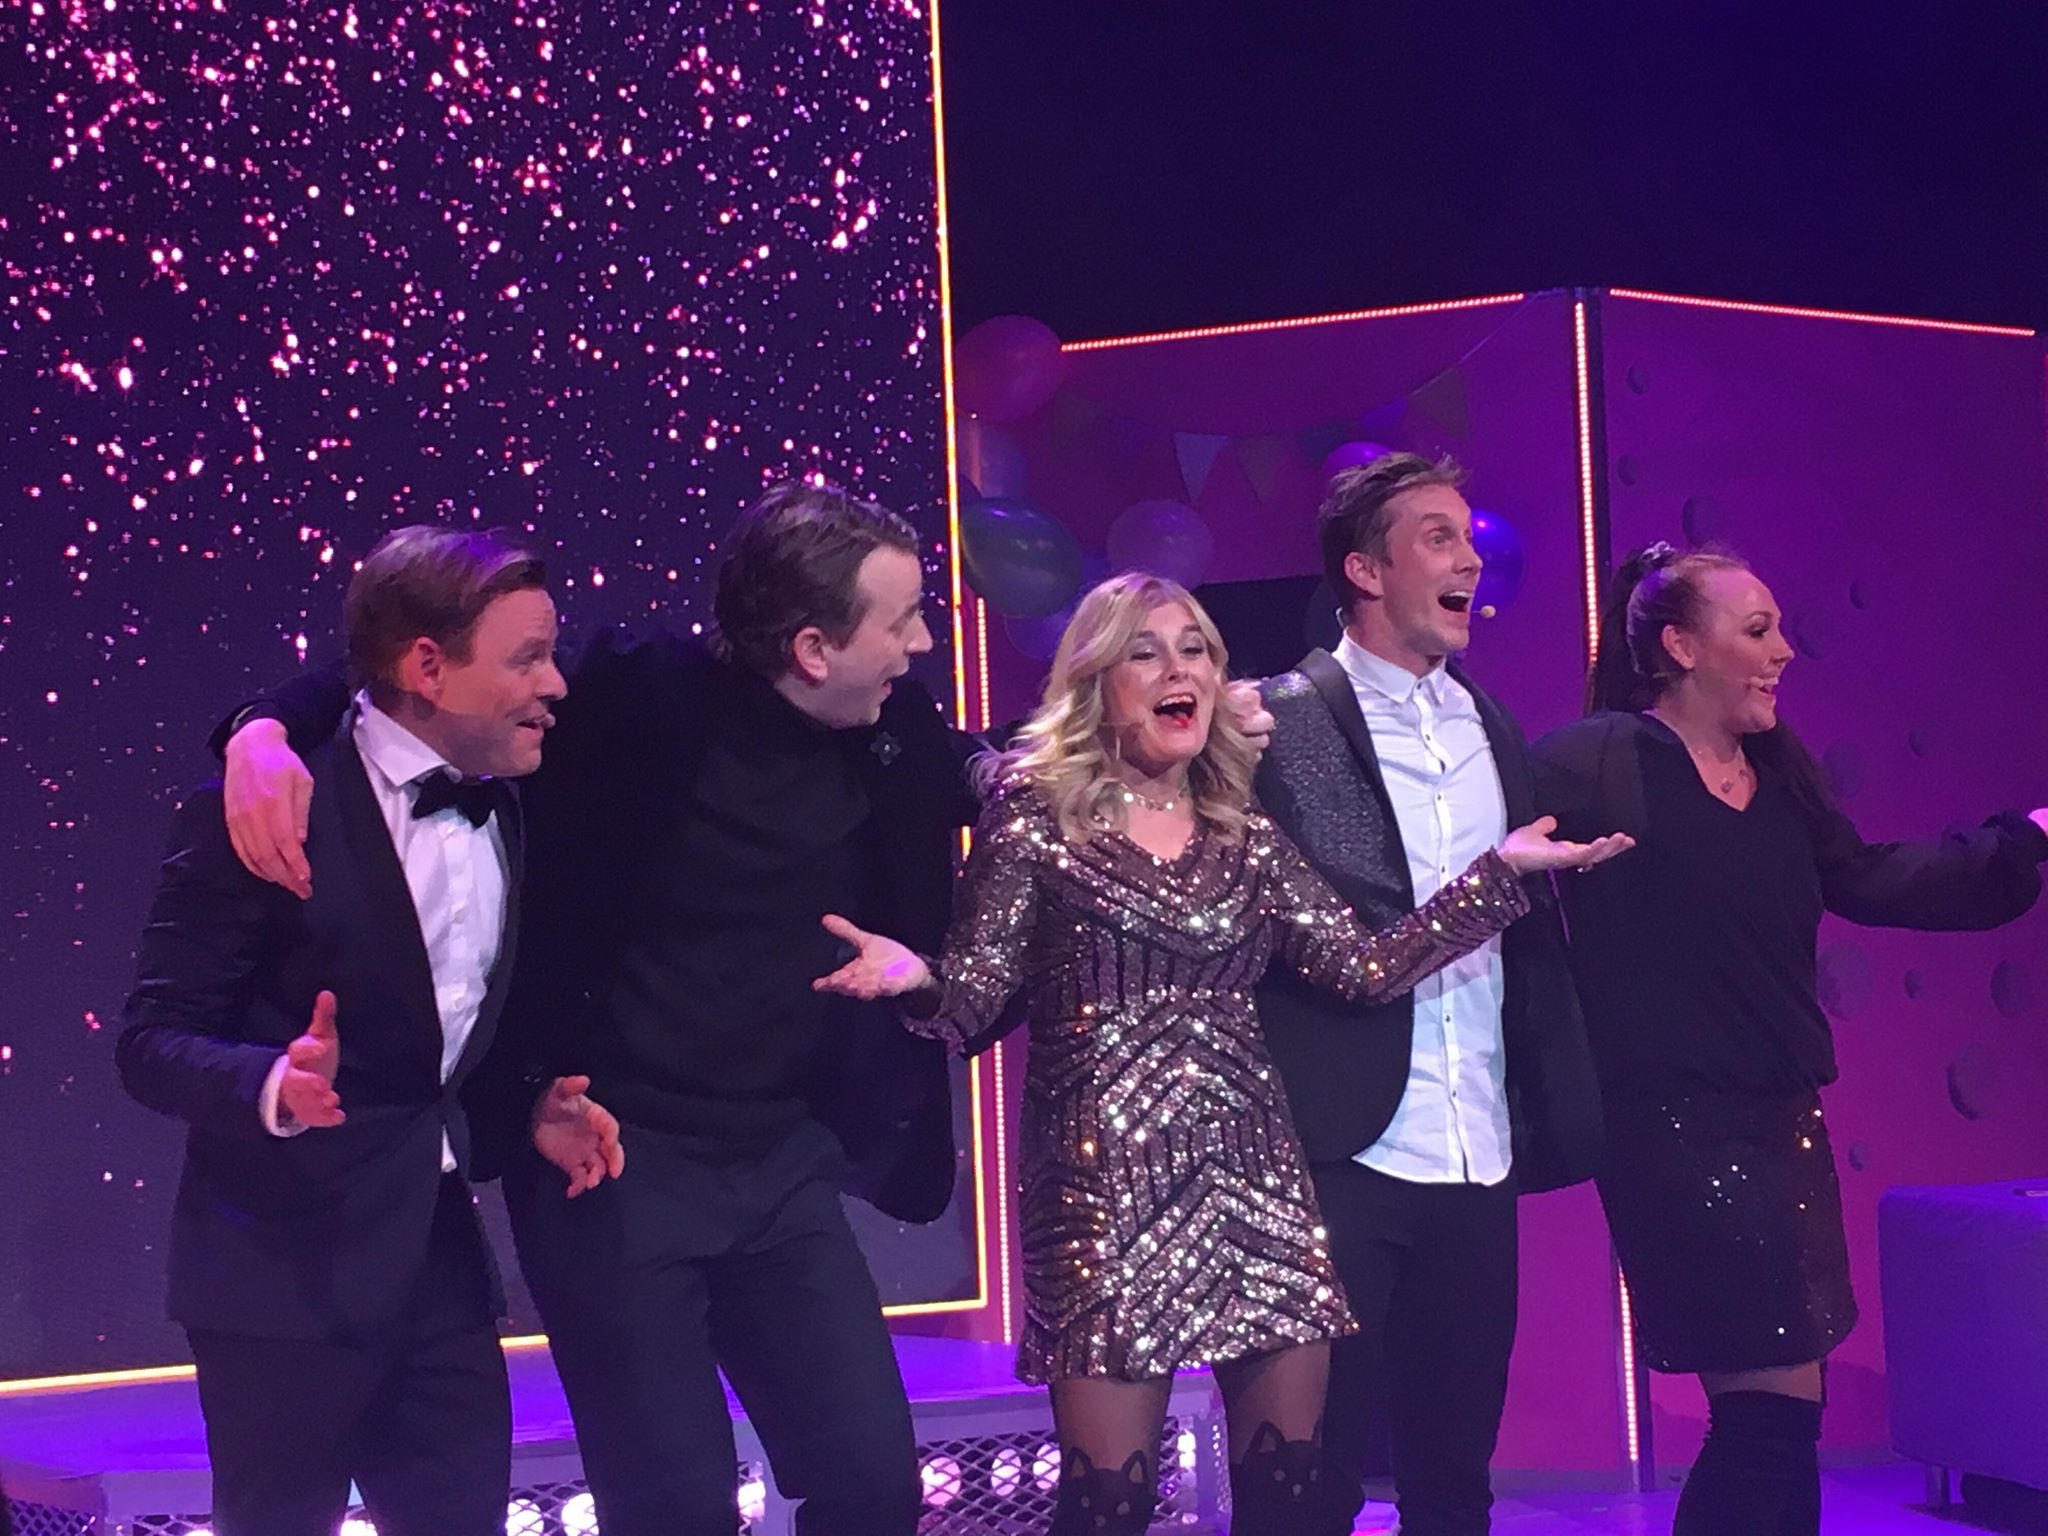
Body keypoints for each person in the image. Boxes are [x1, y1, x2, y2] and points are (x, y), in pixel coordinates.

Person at [207, 485, 1275, 1534]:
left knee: (872, 1487)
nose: (919, 645)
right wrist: (260, 728)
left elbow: (1007, 769)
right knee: (674, 1510)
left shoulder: (891, 727)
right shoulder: (634, 696)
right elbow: (421, 681)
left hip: (779, 1167)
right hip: (613, 1163)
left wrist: (1173, 731)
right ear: (812, 648)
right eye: (901, 620)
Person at [814, 572, 1630, 1536]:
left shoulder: (1243, 834)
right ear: (1098, 683)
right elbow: (974, 1000)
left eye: (1196, 650)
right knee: (1109, 1506)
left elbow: (1364, 968)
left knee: (1289, 1496)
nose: (1180, 671)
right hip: (1102, 1195)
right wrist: (916, 979)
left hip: (1257, 1184)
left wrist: (1499, 874)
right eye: (1147, 652)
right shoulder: (1037, 821)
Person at [1533, 542, 2048, 1536]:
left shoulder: (1773, 779)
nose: (1782, 652)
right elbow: (1461, 829)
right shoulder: (1597, 759)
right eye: (1756, 630)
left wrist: (2027, 835)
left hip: (1781, 1125)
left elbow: (1874, 878)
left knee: (1779, 1419)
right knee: (1767, 1416)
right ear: (1680, 646)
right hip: (1670, 1130)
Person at [116, 527, 623, 1536]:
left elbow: (434, 1042)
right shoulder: (262, 810)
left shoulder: (510, 801)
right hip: (278, 1276)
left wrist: (527, 1110)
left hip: (435, 1266)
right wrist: (274, 1086)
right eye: (526, 658)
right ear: (427, 667)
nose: (555, 683)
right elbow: (150, 1043)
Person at [1252, 453, 1608, 1536]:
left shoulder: (1486, 722)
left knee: (1453, 1476)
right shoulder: (1280, 719)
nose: (1470, 560)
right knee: (1309, 1479)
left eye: (1469, 536)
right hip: (1340, 1145)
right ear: (1365, 570)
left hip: (1474, 1146)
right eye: (1438, 538)